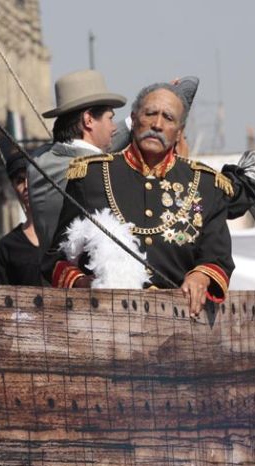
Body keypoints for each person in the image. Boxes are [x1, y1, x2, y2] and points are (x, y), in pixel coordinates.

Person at [28, 58, 255, 257]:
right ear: (89, 120)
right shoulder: (94, 175)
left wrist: (155, 106)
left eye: (167, 118)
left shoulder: (39, 165)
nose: (114, 129)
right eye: (111, 119)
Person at [42, 75, 239, 317]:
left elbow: (218, 257)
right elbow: (56, 259)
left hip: (180, 326)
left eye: (168, 118)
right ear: (134, 120)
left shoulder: (207, 186)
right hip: (104, 321)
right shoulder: (91, 176)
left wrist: (200, 276)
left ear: (179, 132)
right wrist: (85, 285)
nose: (157, 124)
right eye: (150, 114)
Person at [0, 153, 42, 285]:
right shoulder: (7, 246)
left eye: (31, 178)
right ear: (14, 188)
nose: (26, 186)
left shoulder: (65, 235)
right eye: (19, 181)